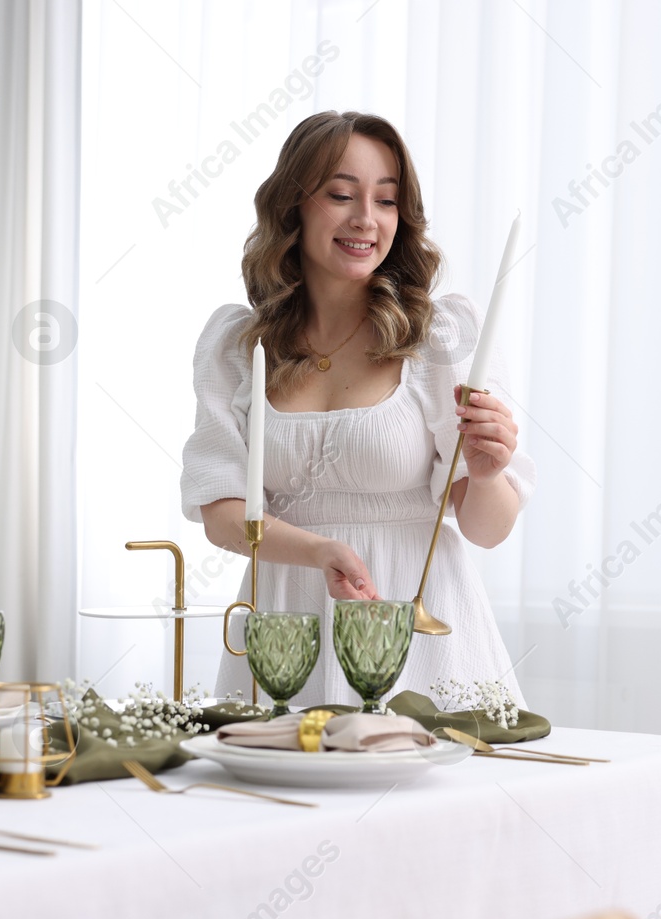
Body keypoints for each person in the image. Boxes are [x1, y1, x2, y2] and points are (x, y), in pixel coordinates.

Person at [180, 110, 535, 708]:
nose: (366, 219)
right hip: (287, 626)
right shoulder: (238, 344)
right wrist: (319, 551)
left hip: (420, 629)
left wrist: (490, 470)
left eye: (387, 200)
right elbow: (221, 515)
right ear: (293, 206)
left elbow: (486, 529)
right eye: (341, 195)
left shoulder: (440, 335)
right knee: (277, 793)